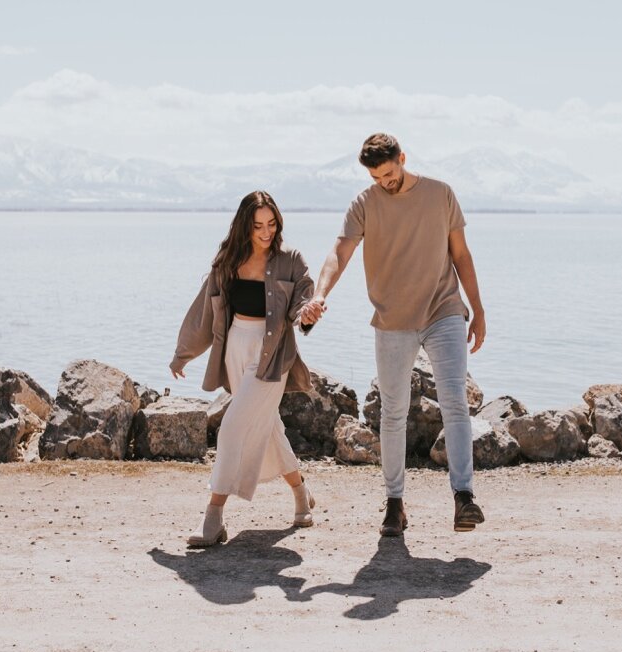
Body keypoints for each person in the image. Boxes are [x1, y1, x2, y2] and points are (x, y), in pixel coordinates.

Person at [298, 133, 487, 535]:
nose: (385, 182)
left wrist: (479, 309)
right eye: (376, 176)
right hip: (392, 319)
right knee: (393, 412)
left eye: (389, 173)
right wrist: (320, 294)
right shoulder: (364, 204)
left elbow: (462, 254)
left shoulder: (441, 195)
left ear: (402, 158)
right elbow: (340, 252)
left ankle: (464, 497)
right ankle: (395, 503)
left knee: (454, 401)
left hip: (444, 310)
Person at [171, 191, 318, 547]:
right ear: (244, 227)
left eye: (271, 224)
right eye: (258, 226)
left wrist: (307, 314)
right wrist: (183, 354)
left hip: (272, 357)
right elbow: (205, 312)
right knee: (267, 427)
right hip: (235, 349)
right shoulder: (227, 261)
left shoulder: (290, 260)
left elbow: (304, 299)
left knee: (233, 427)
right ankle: (301, 494)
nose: (266, 232)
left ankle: (214, 516)